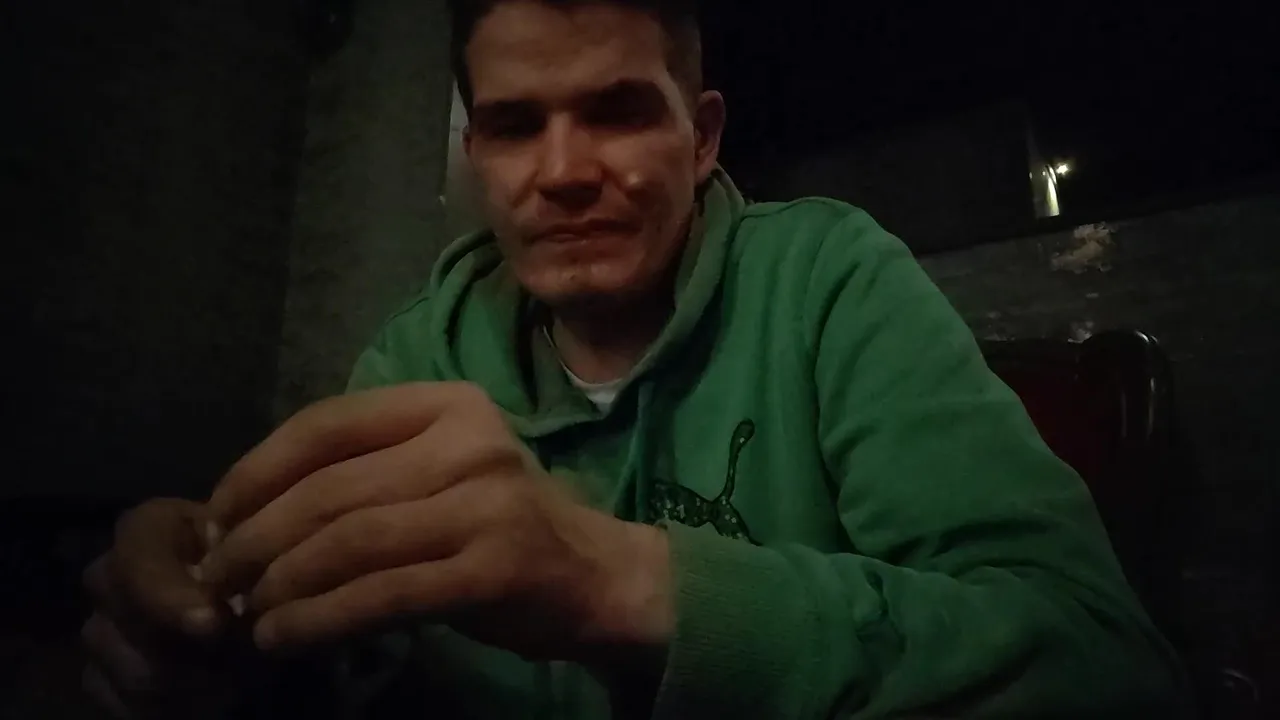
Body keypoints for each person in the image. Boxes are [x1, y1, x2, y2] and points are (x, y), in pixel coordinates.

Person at [81, 0, 1190, 717]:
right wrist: (219, 633)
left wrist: (614, 579)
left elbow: (1106, 670)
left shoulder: (829, 279)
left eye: (616, 111)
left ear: (700, 139)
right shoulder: (416, 352)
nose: (563, 171)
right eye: (515, 125)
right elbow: (354, 677)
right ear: (477, 155)